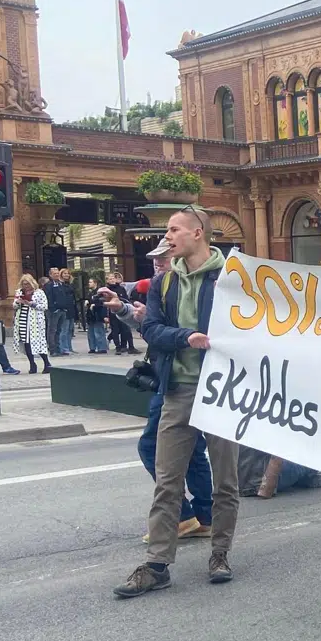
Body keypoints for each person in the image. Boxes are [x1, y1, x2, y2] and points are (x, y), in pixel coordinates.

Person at [112, 206, 240, 599]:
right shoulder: (165, 283)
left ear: (198, 233)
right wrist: (186, 337)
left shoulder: (232, 279)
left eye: (173, 229)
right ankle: (157, 565)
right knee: (167, 481)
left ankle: (220, 554)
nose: (167, 236)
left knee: (226, 481)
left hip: (223, 391)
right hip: (179, 390)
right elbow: (150, 328)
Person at [104, 241, 215, 543]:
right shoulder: (163, 286)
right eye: (155, 259)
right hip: (173, 376)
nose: (157, 264)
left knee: (152, 446)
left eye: (163, 258)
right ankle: (204, 516)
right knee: (192, 450)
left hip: (182, 380)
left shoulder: (196, 283)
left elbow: (170, 328)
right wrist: (128, 311)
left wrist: (139, 316)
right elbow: (154, 327)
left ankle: (183, 516)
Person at [12, 274, 51, 374]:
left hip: (36, 321)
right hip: (23, 320)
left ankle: (47, 363)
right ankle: (32, 364)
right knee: (26, 342)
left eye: (28, 284)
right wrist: (18, 302)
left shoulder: (39, 292)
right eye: (24, 284)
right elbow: (14, 305)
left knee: (39, 342)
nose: (26, 286)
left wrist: (31, 303)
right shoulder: (19, 292)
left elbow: (44, 306)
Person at [49, 268, 77, 355]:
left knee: (68, 329)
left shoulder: (64, 285)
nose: (66, 275)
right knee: (58, 330)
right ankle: (59, 348)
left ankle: (67, 347)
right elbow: (50, 297)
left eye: (68, 273)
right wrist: (54, 308)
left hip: (67, 309)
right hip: (57, 310)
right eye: (64, 273)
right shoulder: (50, 285)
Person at [84, 277, 109, 353]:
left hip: (98, 314)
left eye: (91, 282)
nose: (89, 284)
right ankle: (92, 347)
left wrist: (95, 304)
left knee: (98, 331)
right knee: (91, 332)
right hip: (91, 315)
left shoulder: (100, 292)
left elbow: (102, 303)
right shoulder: (90, 292)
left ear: (95, 283)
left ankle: (102, 348)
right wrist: (87, 302)